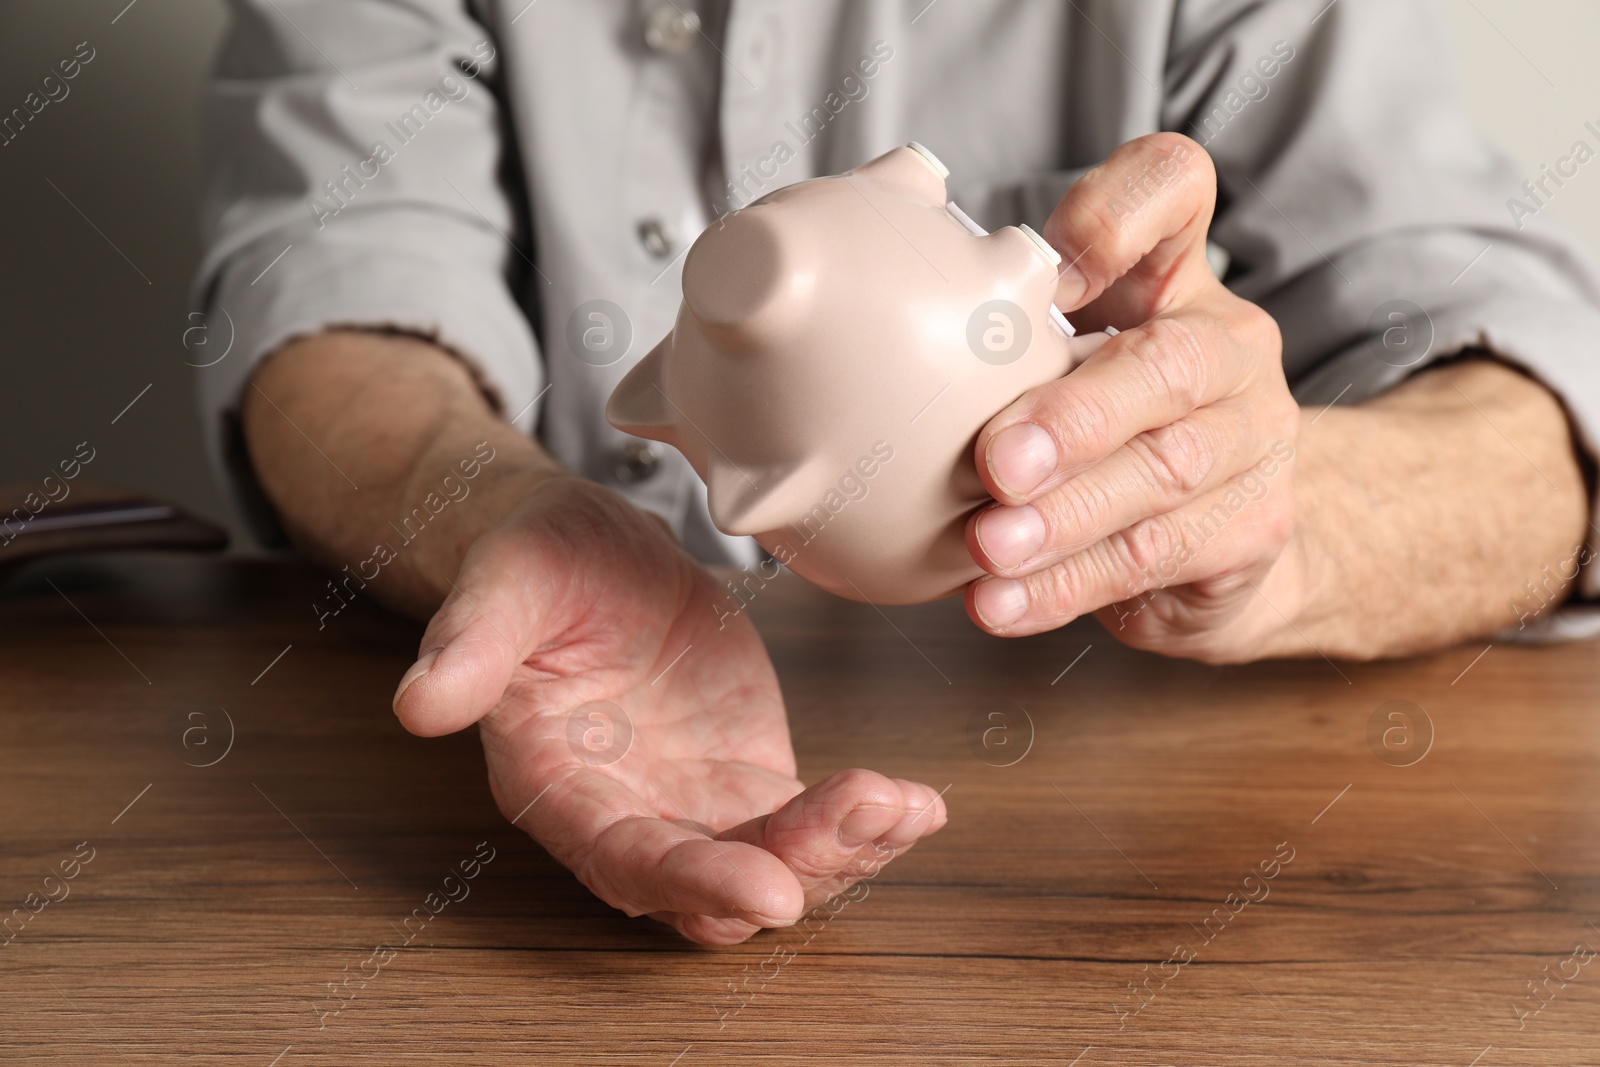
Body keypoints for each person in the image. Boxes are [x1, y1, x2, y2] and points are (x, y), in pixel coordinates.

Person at [195, 0, 1598, 944]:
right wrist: (507, 514)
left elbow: (1544, 402)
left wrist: (1286, 526)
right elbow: (332, 290)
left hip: (1114, 847)